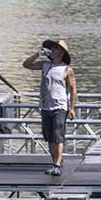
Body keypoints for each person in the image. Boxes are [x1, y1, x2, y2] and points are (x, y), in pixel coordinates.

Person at [22, 39, 77, 176]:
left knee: (58, 135)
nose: (53, 50)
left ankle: (56, 165)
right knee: (50, 138)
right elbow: (26, 65)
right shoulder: (45, 65)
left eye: (57, 48)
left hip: (60, 105)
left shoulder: (66, 69)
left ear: (62, 52)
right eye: (53, 47)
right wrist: (37, 54)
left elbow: (73, 89)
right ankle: (55, 162)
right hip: (46, 106)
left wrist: (72, 108)